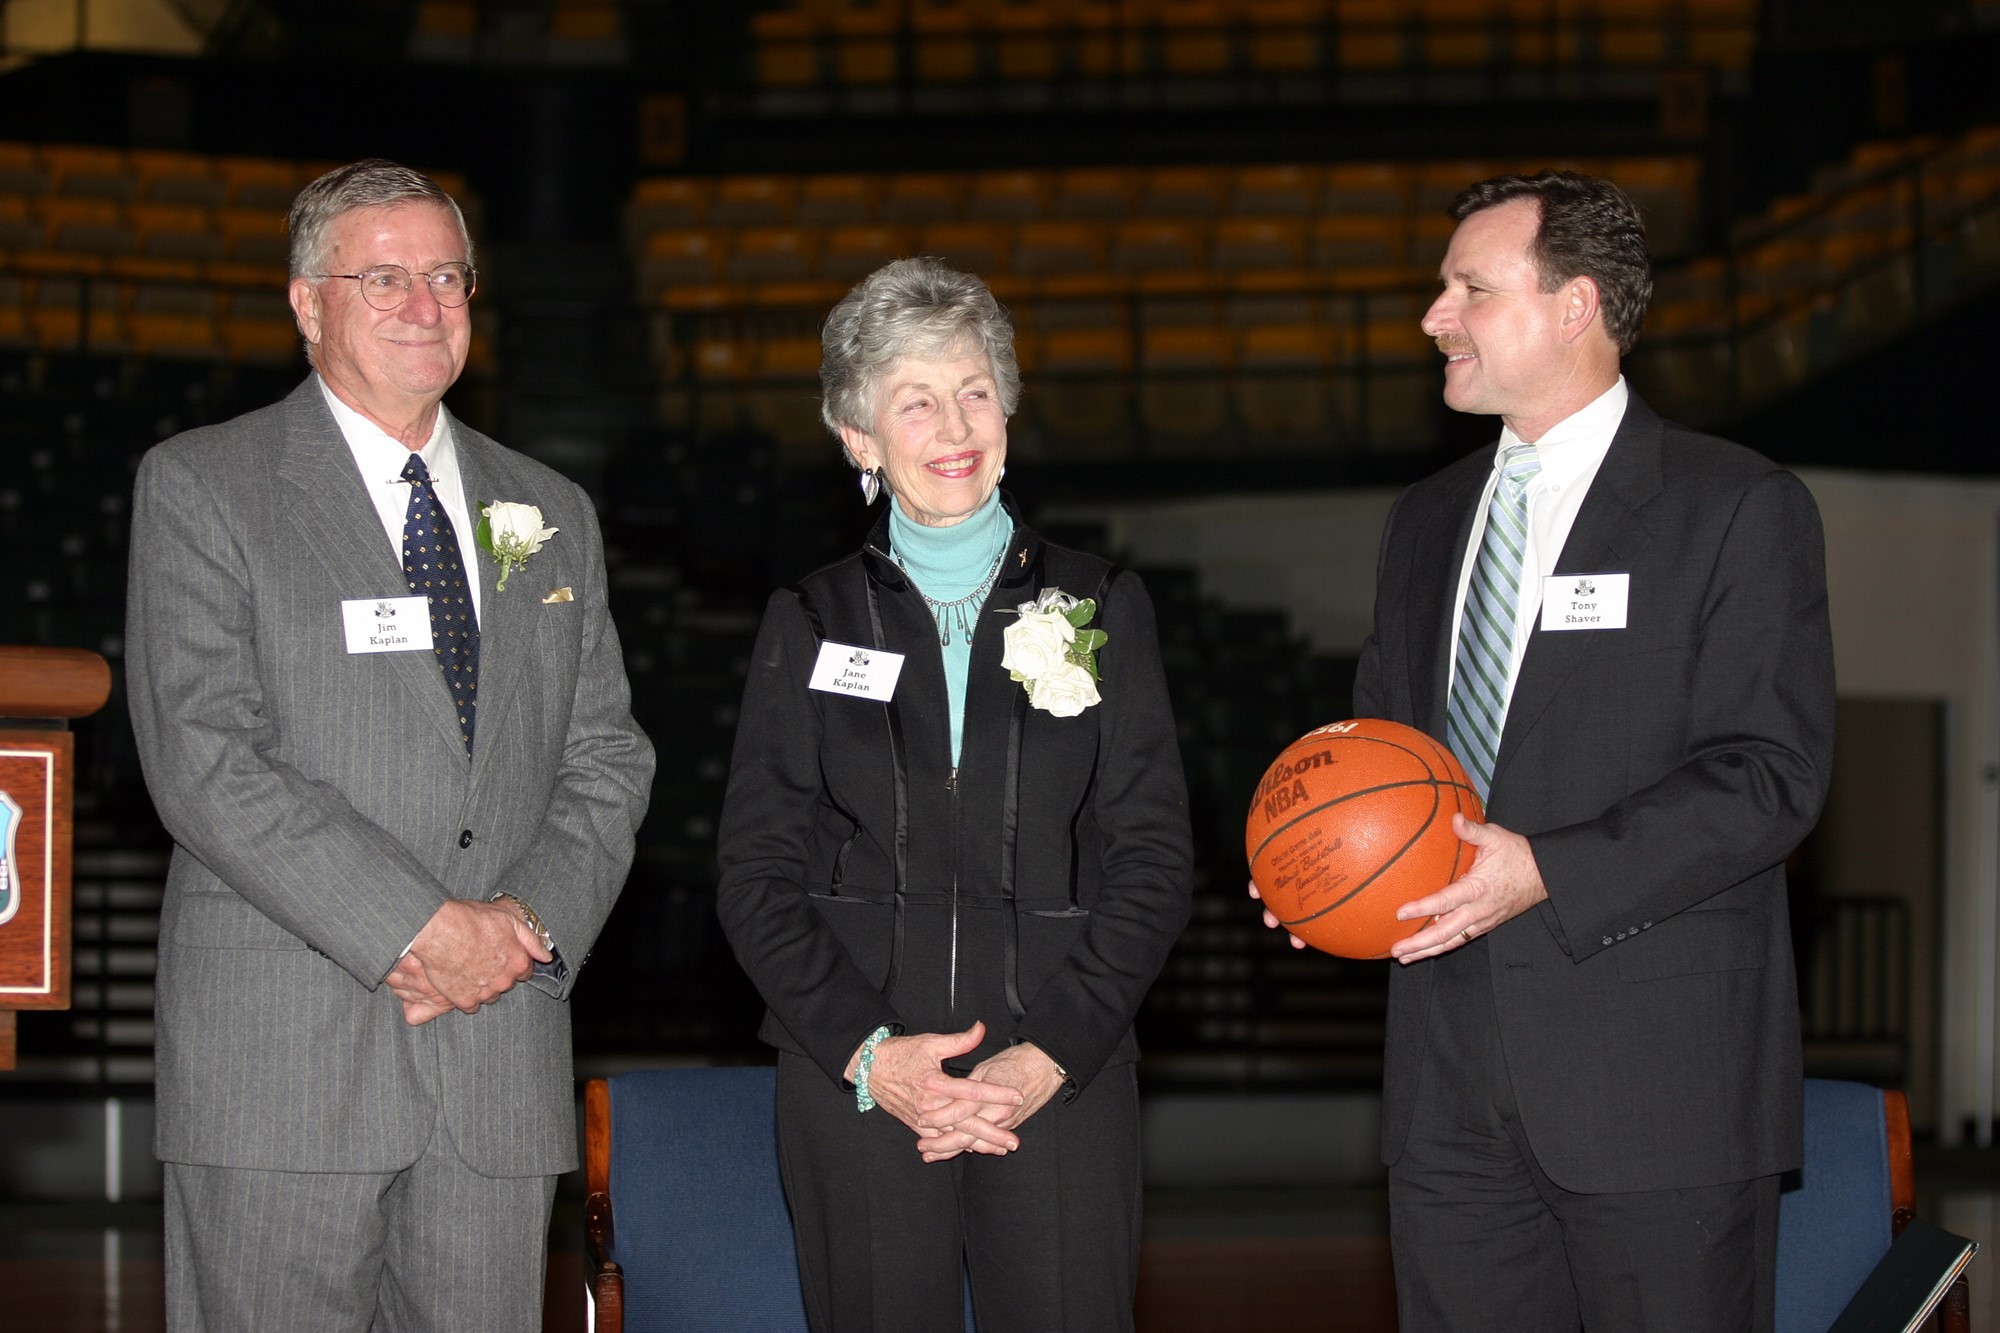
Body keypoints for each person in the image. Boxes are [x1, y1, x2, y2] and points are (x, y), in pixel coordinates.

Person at [1263, 172, 1835, 1330]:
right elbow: (1387, 754)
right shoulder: (1423, 520)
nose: (1433, 315)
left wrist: (1546, 869)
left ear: (1573, 306)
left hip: (1658, 1093)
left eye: (1469, 287)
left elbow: (1771, 777)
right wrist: (1320, 863)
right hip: (1445, 1100)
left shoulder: (1733, 505)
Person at [126, 159, 654, 1332]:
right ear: (307, 305)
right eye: (383, 279)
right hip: (283, 1065)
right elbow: (205, 756)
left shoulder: (550, 507)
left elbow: (606, 759)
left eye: (447, 277)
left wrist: (516, 932)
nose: (425, 305)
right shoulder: (205, 486)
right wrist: (421, 931)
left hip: (495, 1058)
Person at [716, 257, 1193, 1333]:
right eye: (915, 400)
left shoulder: (1102, 601)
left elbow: (1154, 862)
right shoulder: (808, 617)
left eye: (975, 389)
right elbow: (753, 875)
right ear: (858, 437)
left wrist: (1050, 1051)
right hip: (860, 1085)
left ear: (1009, 406)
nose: (954, 423)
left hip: (1060, 1079)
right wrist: (871, 1055)